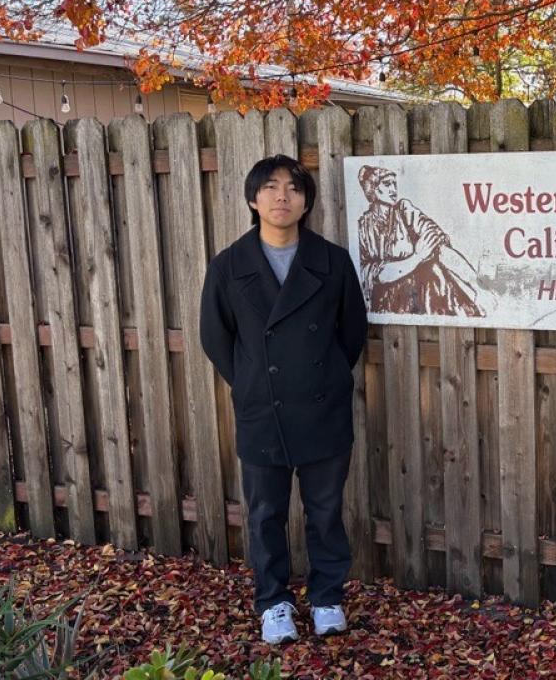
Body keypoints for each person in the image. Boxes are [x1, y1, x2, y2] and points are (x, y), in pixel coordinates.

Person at [200, 154, 367, 645]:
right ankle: (273, 601)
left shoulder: (332, 261)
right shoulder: (229, 265)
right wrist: (253, 381)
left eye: (293, 188)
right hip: (261, 411)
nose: (282, 196)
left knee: (325, 511)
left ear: (306, 201)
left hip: (323, 408)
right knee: (265, 513)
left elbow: (351, 333)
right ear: (254, 199)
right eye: (271, 188)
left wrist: (329, 375)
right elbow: (216, 337)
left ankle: (327, 598)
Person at [355, 165, 495, 317]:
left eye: (395, 183)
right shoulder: (362, 228)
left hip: (424, 296)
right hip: (388, 305)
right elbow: (378, 274)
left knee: (435, 272)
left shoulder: (404, 210)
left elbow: (439, 247)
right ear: (373, 189)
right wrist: (417, 257)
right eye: (387, 184)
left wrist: (479, 289)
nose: (393, 189)